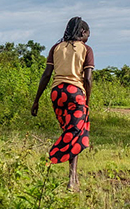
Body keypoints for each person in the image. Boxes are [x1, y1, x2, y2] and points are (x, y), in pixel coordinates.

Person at [31, 17, 94, 191]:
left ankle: (74, 178)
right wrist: (87, 101)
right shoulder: (86, 49)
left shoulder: (56, 48)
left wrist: (36, 100)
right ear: (82, 32)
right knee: (75, 134)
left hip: (57, 93)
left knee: (70, 132)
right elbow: (87, 79)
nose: (88, 38)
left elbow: (46, 75)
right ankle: (65, 172)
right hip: (75, 94)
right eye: (88, 34)